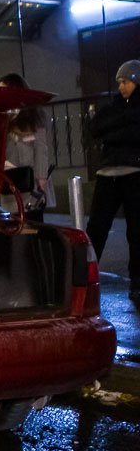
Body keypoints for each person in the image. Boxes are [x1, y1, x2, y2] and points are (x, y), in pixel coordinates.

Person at [87, 60, 140, 306]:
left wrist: (114, 134)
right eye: (119, 82)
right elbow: (95, 127)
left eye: (126, 82)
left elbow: (133, 132)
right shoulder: (114, 106)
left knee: (136, 231)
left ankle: (137, 282)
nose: (122, 87)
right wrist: (123, 126)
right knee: (96, 229)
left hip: (134, 172)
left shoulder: (126, 108)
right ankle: (85, 279)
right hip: (108, 173)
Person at [0, 73, 50, 222]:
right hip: (9, 178)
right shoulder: (1, 116)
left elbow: (41, 148)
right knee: (12, 221)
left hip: (29, 177)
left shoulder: (34, 115)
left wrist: (41, 178)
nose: (2, 95)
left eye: (5, 90)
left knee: (32, 221)